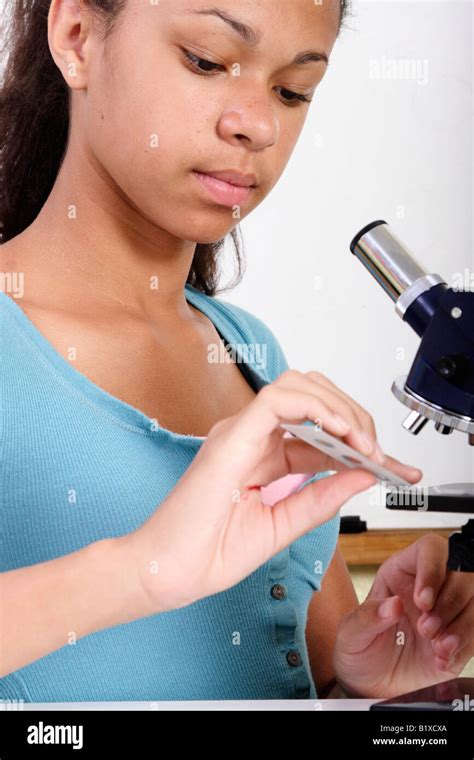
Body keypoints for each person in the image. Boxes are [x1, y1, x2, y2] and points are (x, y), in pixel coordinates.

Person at [0, 0, 472, 703]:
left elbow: (301, 683)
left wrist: (367, 684)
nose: (257, 124)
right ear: (76, 37)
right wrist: (141, 570)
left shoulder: (255, 356)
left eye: (292, 91)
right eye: (206, 60)